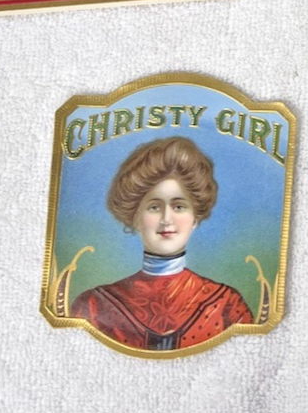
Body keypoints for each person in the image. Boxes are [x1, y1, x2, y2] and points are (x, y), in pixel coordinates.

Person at [69, 136, 253, 351]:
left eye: (179, 207)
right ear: (135, 218)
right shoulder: (93, 306)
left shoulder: (226, 304)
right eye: (154, 207)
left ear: (195, 218)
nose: (167, 219)